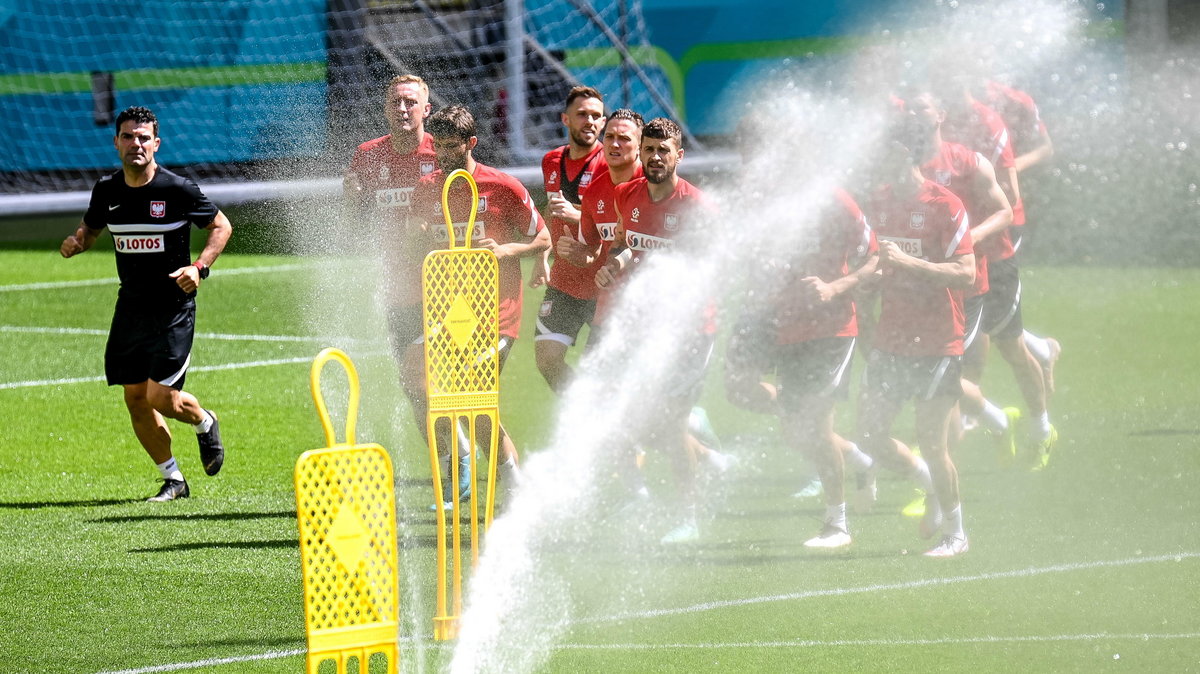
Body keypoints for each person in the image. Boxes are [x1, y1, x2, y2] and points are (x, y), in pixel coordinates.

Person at [59, 106, 232, 502]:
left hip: (173, 307)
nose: (135, 144)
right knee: (134, 398)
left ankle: (205, 422)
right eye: (128, 136)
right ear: (116, 142)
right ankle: (173, 479)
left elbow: (222, 225)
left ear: (156, 144)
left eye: (143, 137)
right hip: (131, 308)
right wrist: (78, 241)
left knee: (160, 398)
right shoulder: (107, 190)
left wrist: (199, 268)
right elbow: (91, 227)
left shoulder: (177, 189)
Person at [409, 105, 550, 501]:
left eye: (453, 147)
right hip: (446, 314)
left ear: (471, 143)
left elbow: (542, 238)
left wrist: (506, 250)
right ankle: (463, 453)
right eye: (438, 147)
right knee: (414, 374)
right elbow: (416, 241)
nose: (444, 155)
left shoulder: (502, 186)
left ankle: (511, 480)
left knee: (473, 396)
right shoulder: (427, 188)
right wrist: (413, 234)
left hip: (495, 315)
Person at [593, 117, 717, 544]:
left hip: (691, 329)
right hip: (648, 328)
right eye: (649, 150)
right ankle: (712, 460)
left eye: (664, 151)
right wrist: (614, 266)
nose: (655, 157)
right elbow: (628, 244)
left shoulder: (696, 207)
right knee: (642, 418)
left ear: (679, 156)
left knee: (669, 420)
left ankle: (690, 518)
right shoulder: (626, 193)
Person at [859, 126, 975, 557]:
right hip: (892, 339)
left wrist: (909, 262)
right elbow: (877, 261)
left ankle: (957, 534)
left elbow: (966, 272)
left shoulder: (945, 204)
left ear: (908, 158)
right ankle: (926, 482)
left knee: (933, 440)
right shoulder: (880, 201)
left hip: (938, 341)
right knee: (870, 433)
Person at [932, 83, 1057, 468]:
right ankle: (954, 445)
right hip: (953, 261)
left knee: (1009, 346)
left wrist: (968, 228)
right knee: (949, 357)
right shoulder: (933, 124)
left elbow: (1010, 195)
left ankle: (1041, 428)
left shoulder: (987, 122)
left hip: (993, 253)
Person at [766, 188, 880, 549]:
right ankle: (862, 461)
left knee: (817, 426)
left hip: (833, 329)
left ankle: (838, 524)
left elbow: (876, 258)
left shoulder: (838, 200)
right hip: (789, 328)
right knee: (794, 433)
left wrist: (834, 288)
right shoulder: (775, 201)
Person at [344, 74, 440, 458]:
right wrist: (351, 199)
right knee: (413, 383)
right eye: (395, 102)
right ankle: (452, 457)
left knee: (441, 382)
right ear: (384, 109)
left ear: (426, 110)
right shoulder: (367, 155)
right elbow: (356, 221)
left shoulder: (442, 153)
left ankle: (470, 461)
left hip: (444, 287)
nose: (403, 109)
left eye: (410, 102)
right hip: (397, 289)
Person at [533, 86, 607, 392]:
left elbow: (620, 217)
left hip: (602, 282)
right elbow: (551, 215)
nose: (589, 121)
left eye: (596, 116)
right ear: (565, 119)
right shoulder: (551, 160)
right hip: (564, 280)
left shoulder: (610, 164)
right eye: (582, 115)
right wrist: (541, 257)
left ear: (603, 123)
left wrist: (579, 214)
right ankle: (587, 418)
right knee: (547, 360)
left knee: (605, 370)